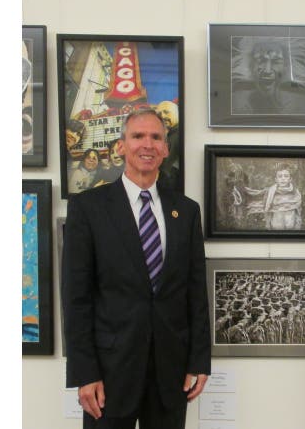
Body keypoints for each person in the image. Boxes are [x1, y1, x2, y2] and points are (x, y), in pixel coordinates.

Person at [62, 108, 211, 429]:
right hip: (109, 373)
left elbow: (196, 292)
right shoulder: (88, 208)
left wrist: (200, 361)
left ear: (166, 148)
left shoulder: (186, 211)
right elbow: (76, 299)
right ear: (121, 146)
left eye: (156, 137)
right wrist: (84, 372)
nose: (148, 144)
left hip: (171, 371)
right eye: (138, 136)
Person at [263, 165, 302, 230]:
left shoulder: (295, 192)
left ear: (290, 179)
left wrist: (297, 226)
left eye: (286, 176)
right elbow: (268, 209)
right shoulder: (271, 192)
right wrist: (268, 224)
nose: (283, 178)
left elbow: (298, 211)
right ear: (276, 179)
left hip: (291, 226)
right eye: (280, 176)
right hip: (276, 226)